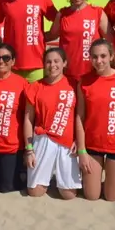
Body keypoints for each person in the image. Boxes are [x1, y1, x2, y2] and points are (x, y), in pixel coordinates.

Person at [75, 39, 115, 201]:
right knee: (91, 195)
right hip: (93, 144)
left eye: (103, 56)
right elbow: (80, 116)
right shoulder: (84, 81)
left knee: (111, 197)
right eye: (95, 57)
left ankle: (111, 182)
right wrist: (82, 150)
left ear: (111, 56)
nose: (99, 61)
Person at [24, 47, 80, 199]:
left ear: (64, 63)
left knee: (69, 195)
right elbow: (28, 119)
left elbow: (80, 116)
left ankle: (60, 175)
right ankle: (46, 173)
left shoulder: (74, 84)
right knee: (35, 192)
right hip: (44, 138)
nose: (52, 65)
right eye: (48, 62)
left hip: (67, 141)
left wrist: (78, 140)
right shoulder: (35, 86)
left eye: (56, 61)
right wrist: (29, 149)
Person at [46, 0, 109, 81]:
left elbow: (110, 40)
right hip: (67, 73)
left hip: (93, 73)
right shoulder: (62, 14)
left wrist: (112, 66)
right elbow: (51, 35)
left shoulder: (97, 12)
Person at [0, 43, 28, 193]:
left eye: (6, 58)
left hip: (11, 147)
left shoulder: (22, 84)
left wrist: (28, 148)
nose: (1, 61)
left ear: (13, 61)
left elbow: (28, 117)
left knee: (6, 188)